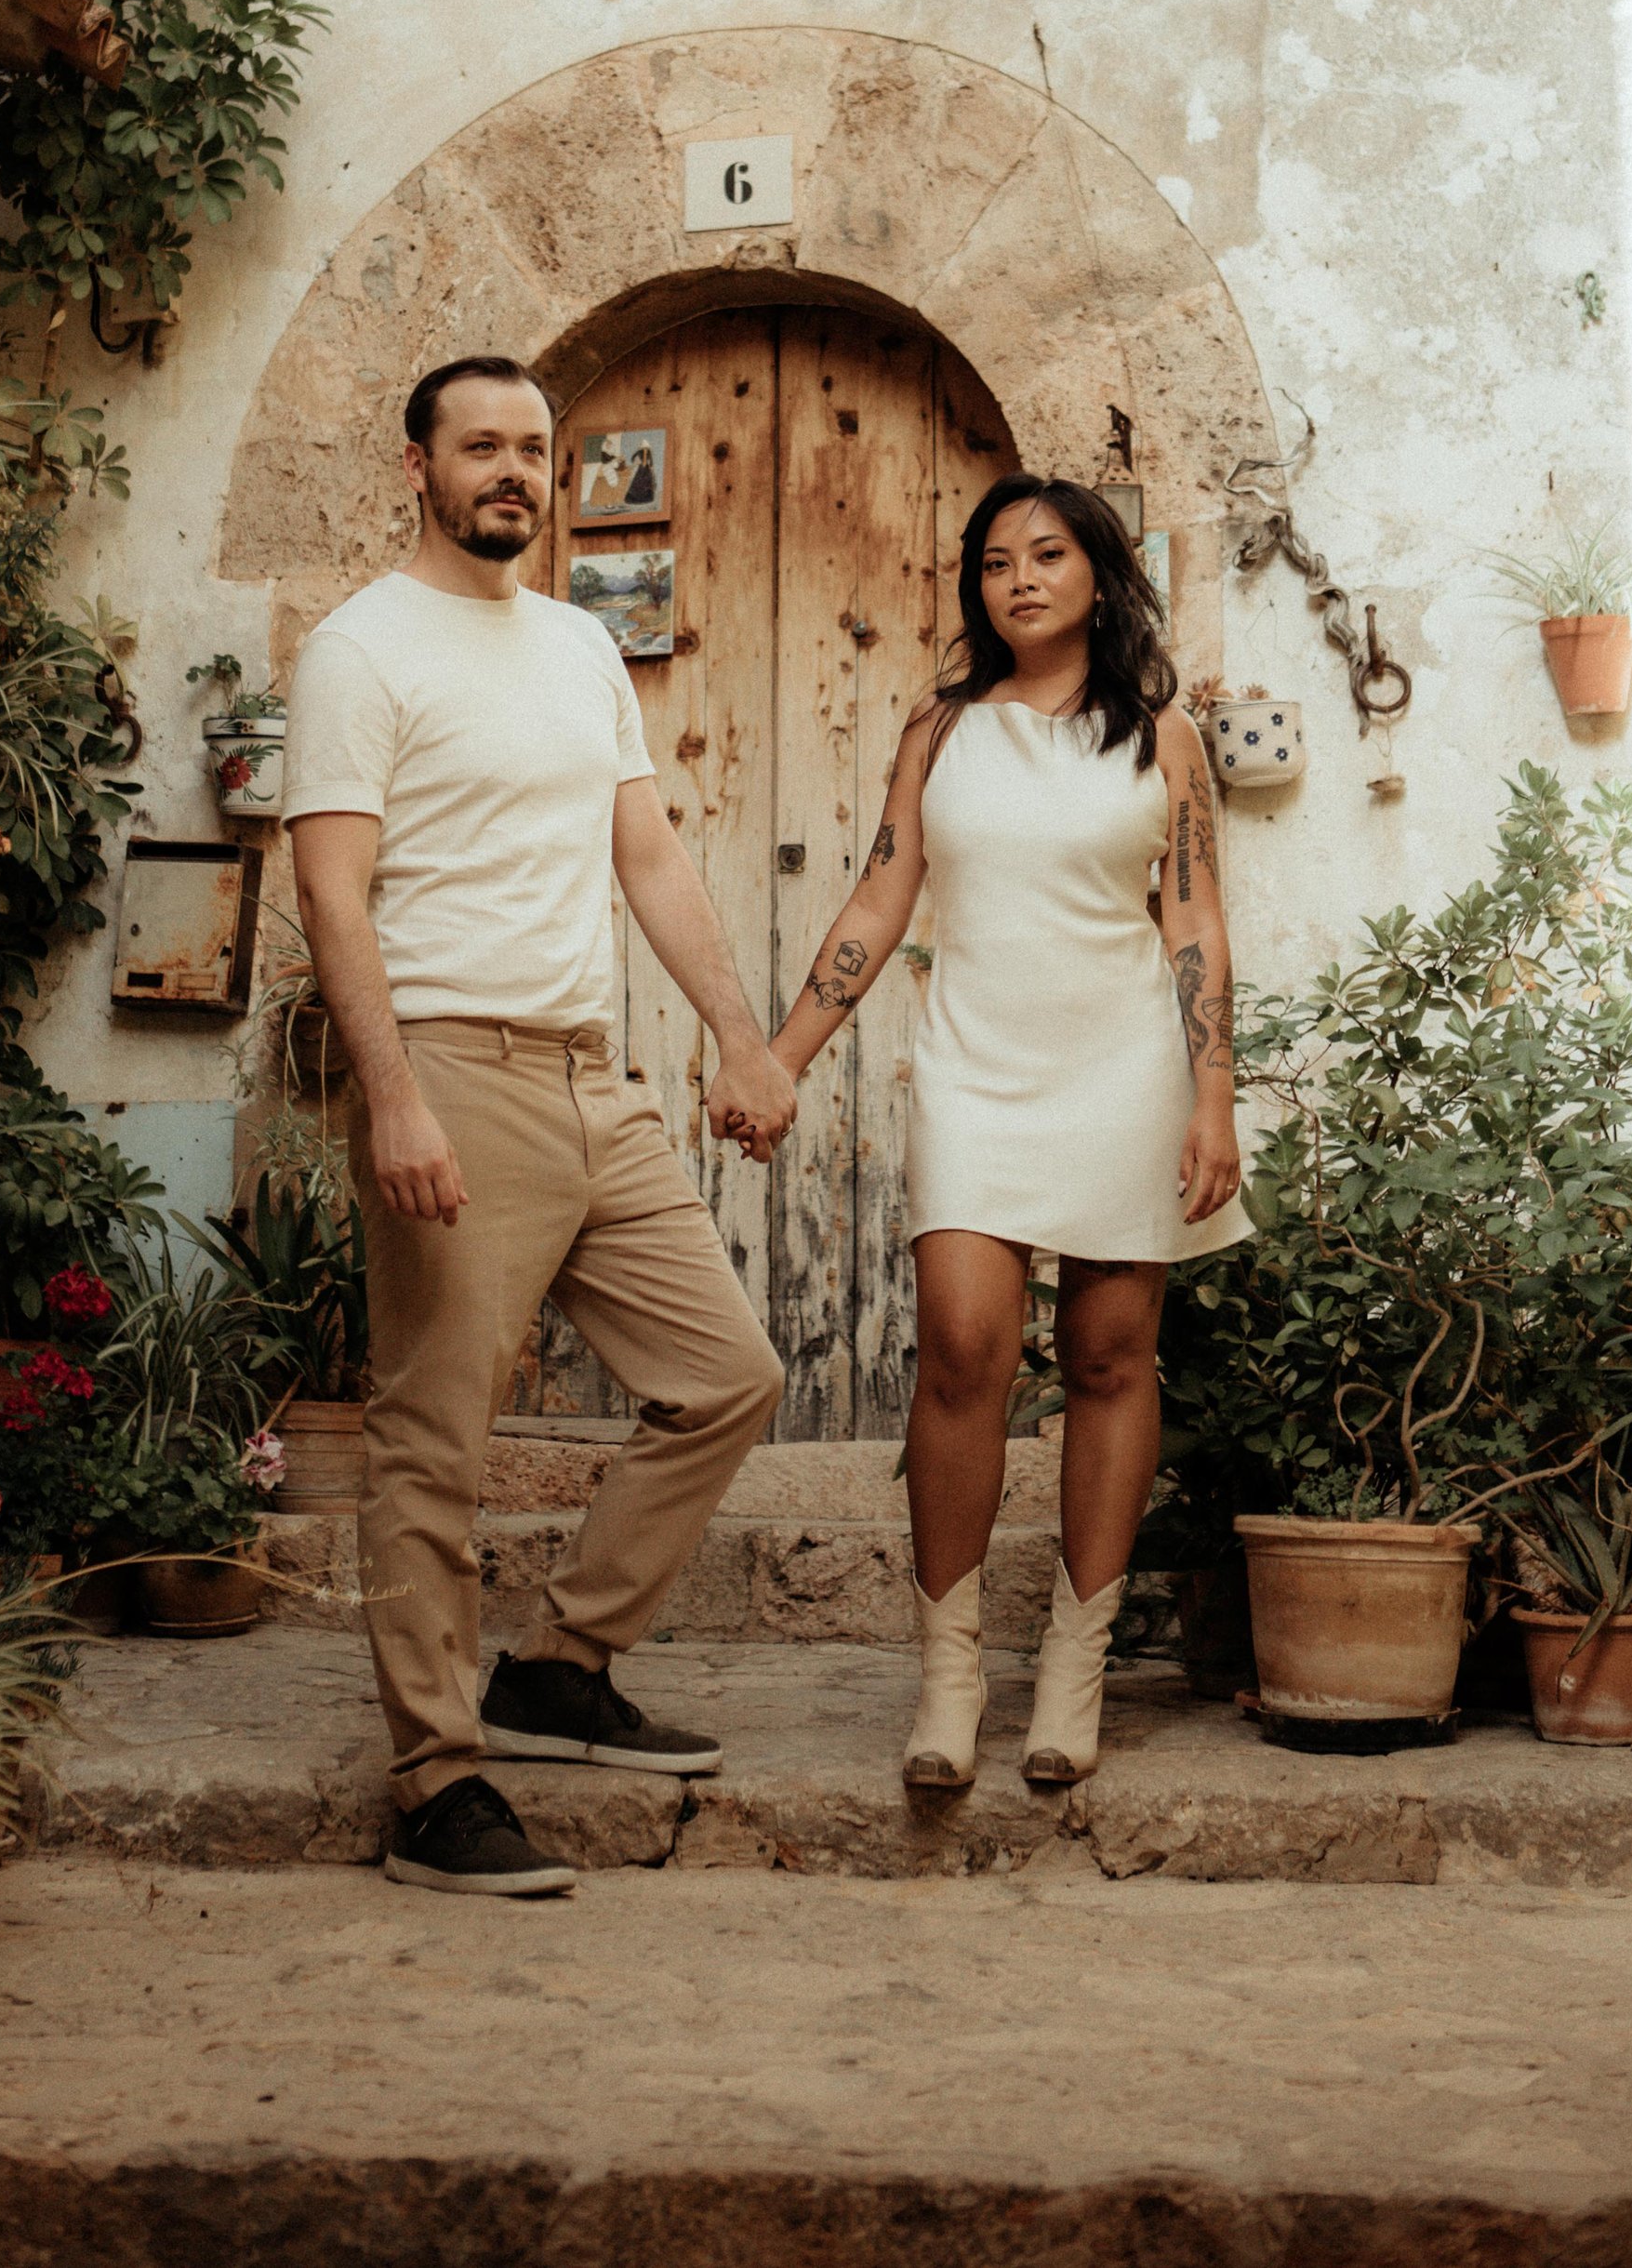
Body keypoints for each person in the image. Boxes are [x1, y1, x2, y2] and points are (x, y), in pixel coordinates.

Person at [285, 354, 796, 1899]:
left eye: (535, 449)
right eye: (483, 446)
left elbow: (647, 858)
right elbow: (330, 890)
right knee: (433, 1441)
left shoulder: (582, 648)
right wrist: (392, 1097)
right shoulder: (361, 651)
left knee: (724, 1376)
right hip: (452, 1070)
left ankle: (561, 1669)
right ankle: (437, 1783)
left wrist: (736, 1035)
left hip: (594, 1079)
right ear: (418, 466)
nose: (514, 470)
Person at [767, 473, 1248, 1792]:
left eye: (1046, 554)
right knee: (965, 1349)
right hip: (978, 1068)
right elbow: (878, 895)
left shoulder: (1166, 736)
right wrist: (784, 1054)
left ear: (1100, 571)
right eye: (993, 562)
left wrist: (1213, 1097)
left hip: (1125, 1067)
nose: (1018, 579)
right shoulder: (939, 729)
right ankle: (951, 1673)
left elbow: (1195, 923)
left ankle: (1076, 1671)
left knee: (1108, 1357)